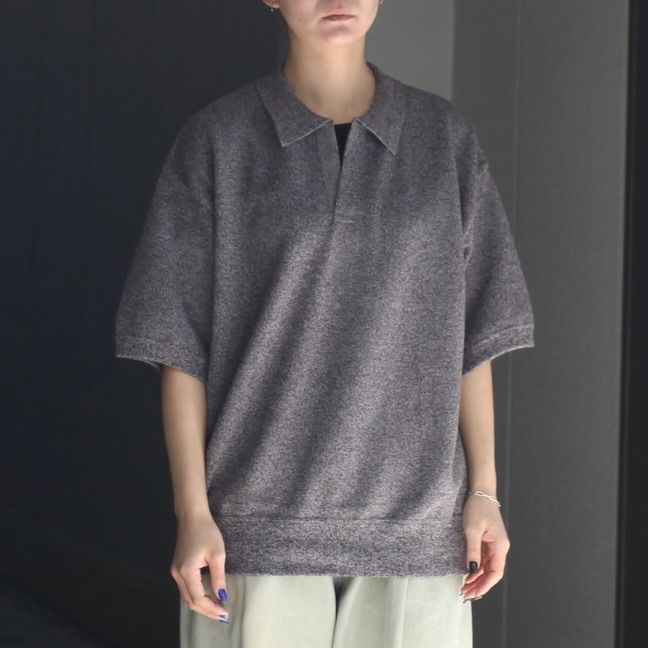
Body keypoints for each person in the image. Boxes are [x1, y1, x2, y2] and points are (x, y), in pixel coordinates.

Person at [113, 1, 536, 646]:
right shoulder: (219, 140)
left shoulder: (443, 137)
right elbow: (179, 346)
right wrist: (192, 511)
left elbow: (472, 335)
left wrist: (485, 493)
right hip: (256, 528)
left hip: (420, 528)